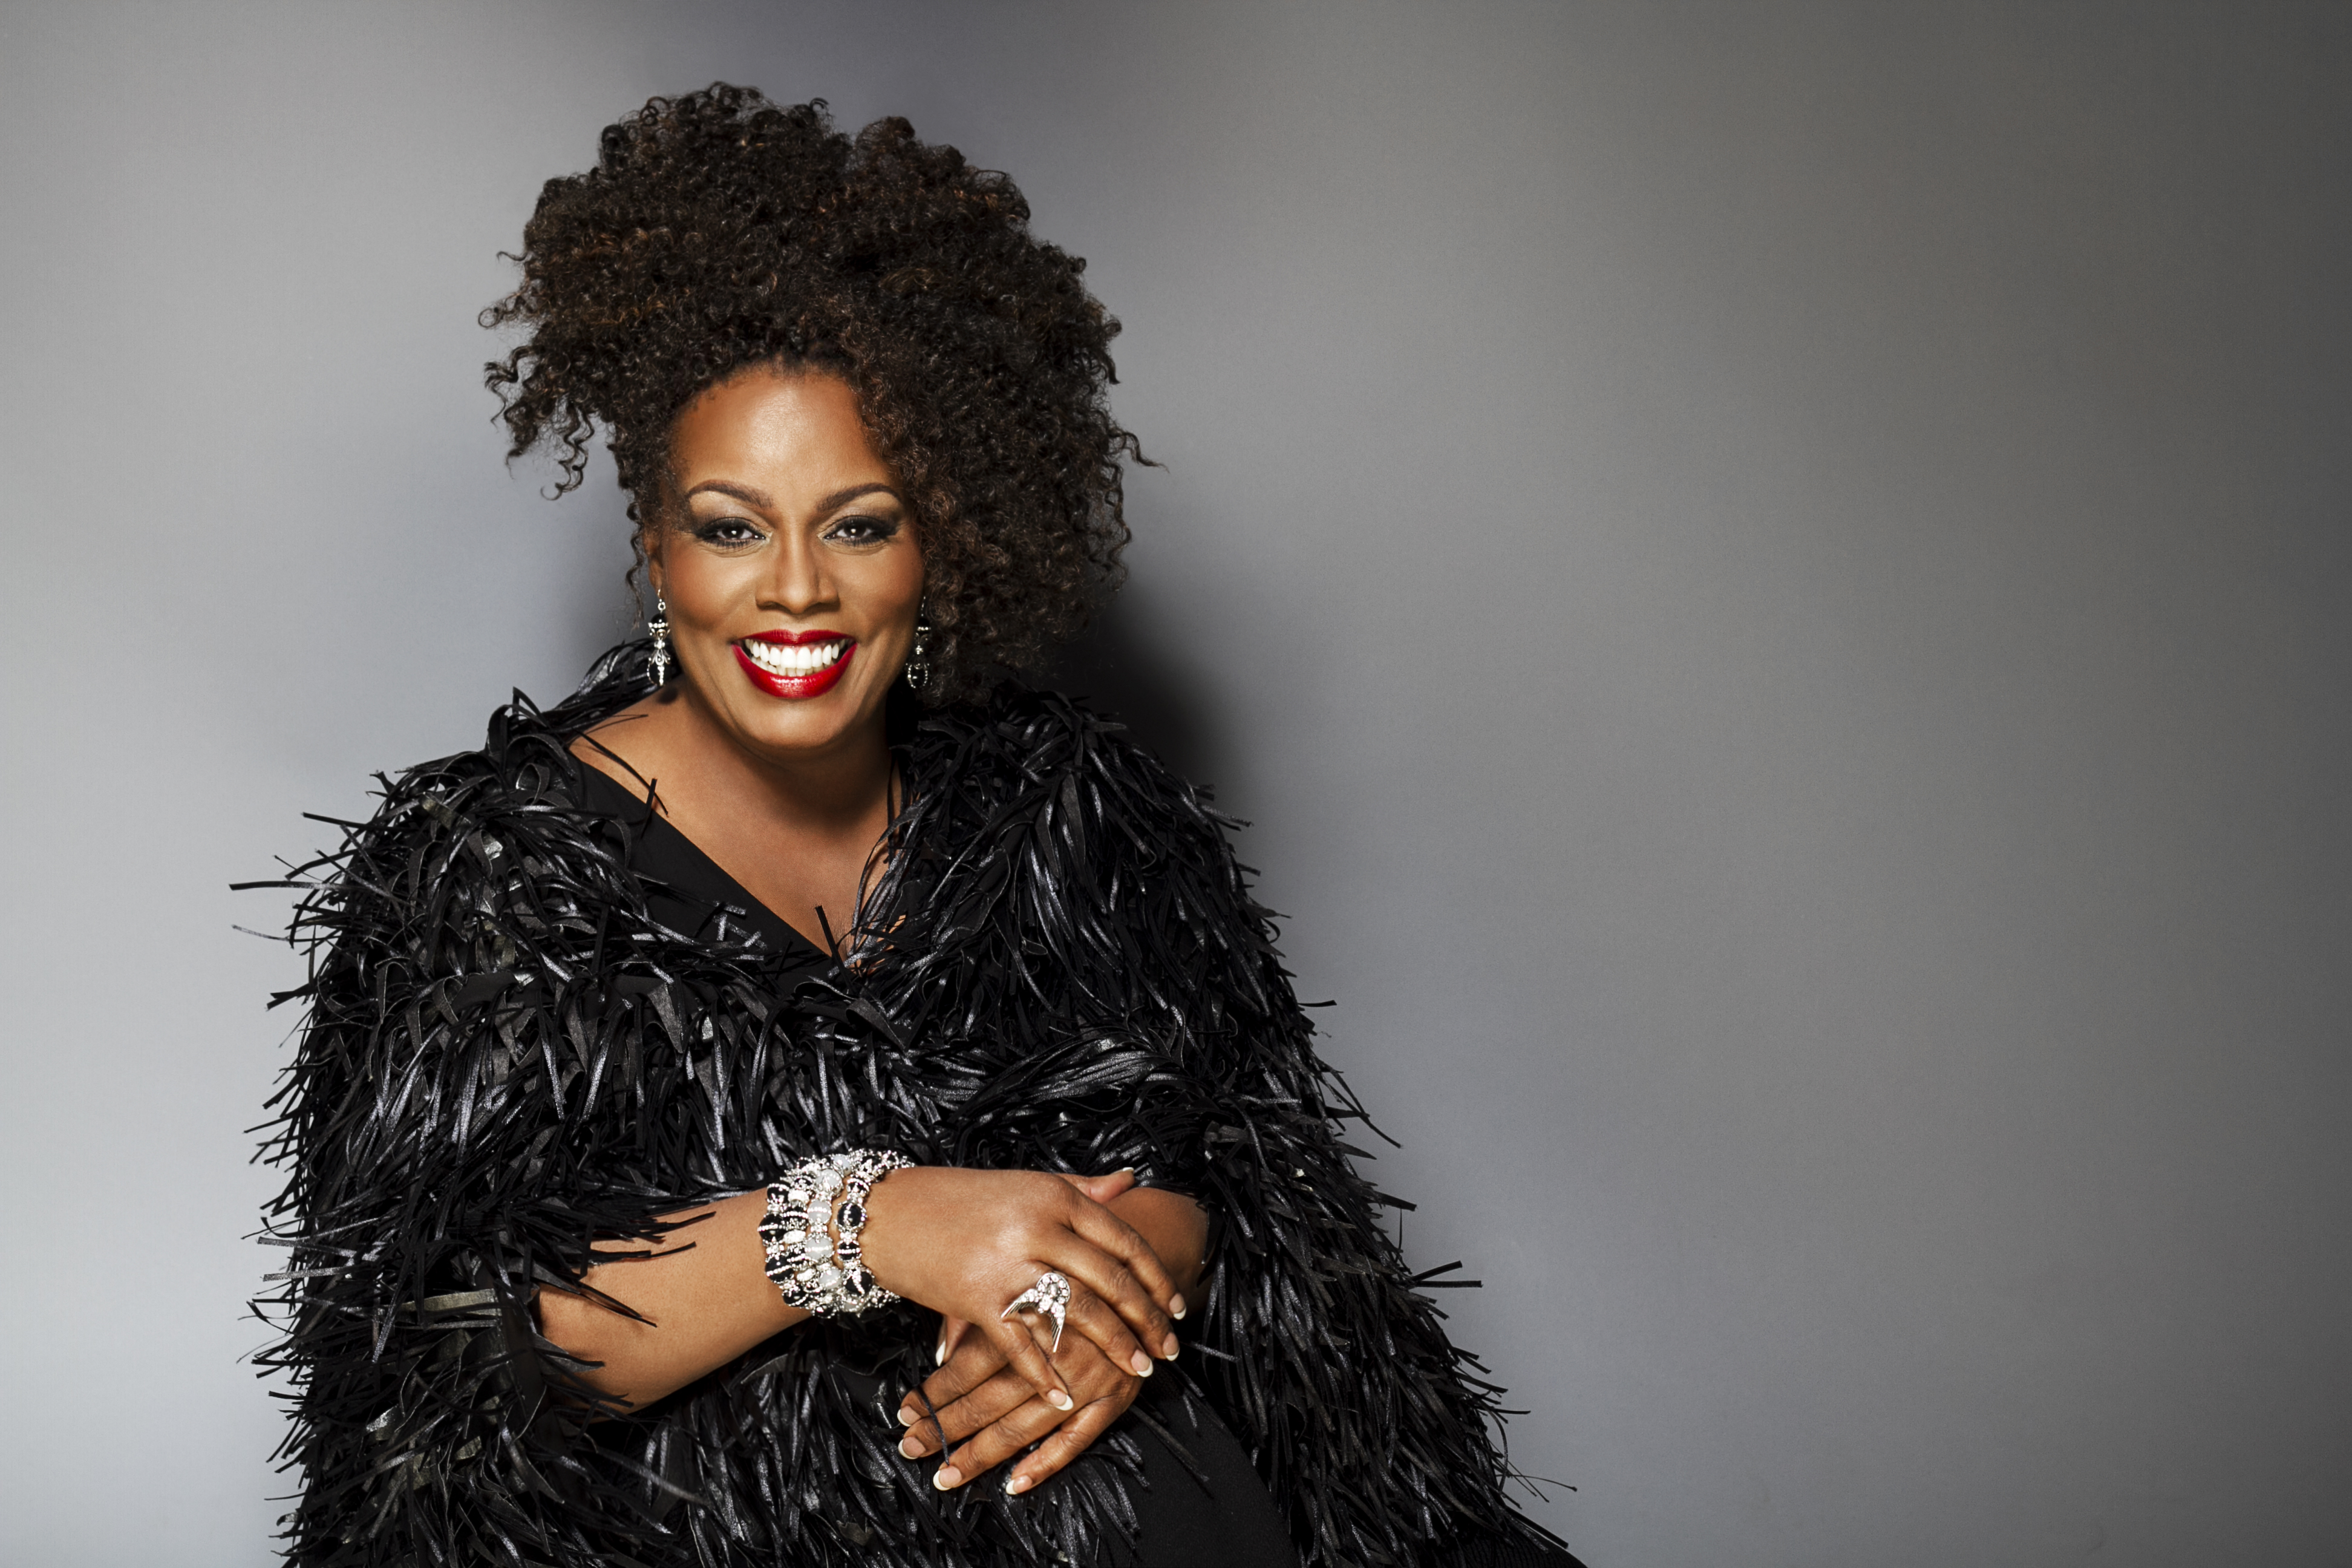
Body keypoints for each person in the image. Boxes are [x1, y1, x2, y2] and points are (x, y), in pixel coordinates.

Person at [255, 85, 1583, 1568]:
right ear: (655, 546)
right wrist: (863, 1225)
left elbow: (1232, 1155)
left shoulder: (1071, 810)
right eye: (732, 526)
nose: (796, 589)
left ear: (937, 541)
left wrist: (1123, 1274)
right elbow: (445, 1369)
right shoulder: (490, 872)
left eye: (861, 523)